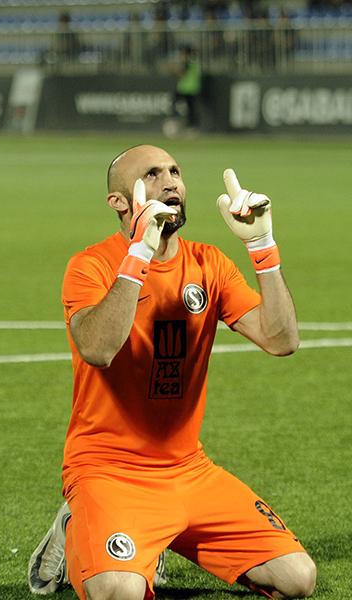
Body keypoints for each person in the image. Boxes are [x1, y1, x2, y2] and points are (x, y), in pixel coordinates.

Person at [27, 145, 316, 600]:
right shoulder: (91, 265)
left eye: (175, 171)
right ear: (119, 201)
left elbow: (281, 340)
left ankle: (147, 539)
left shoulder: (209, 264)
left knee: (298, 579)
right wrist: (139, 254)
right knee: (119, 593)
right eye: (152, 174)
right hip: (107, 471)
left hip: (188, 470)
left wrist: (262, 247)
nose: (170, 181)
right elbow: (98, 349)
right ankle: (79, 523)